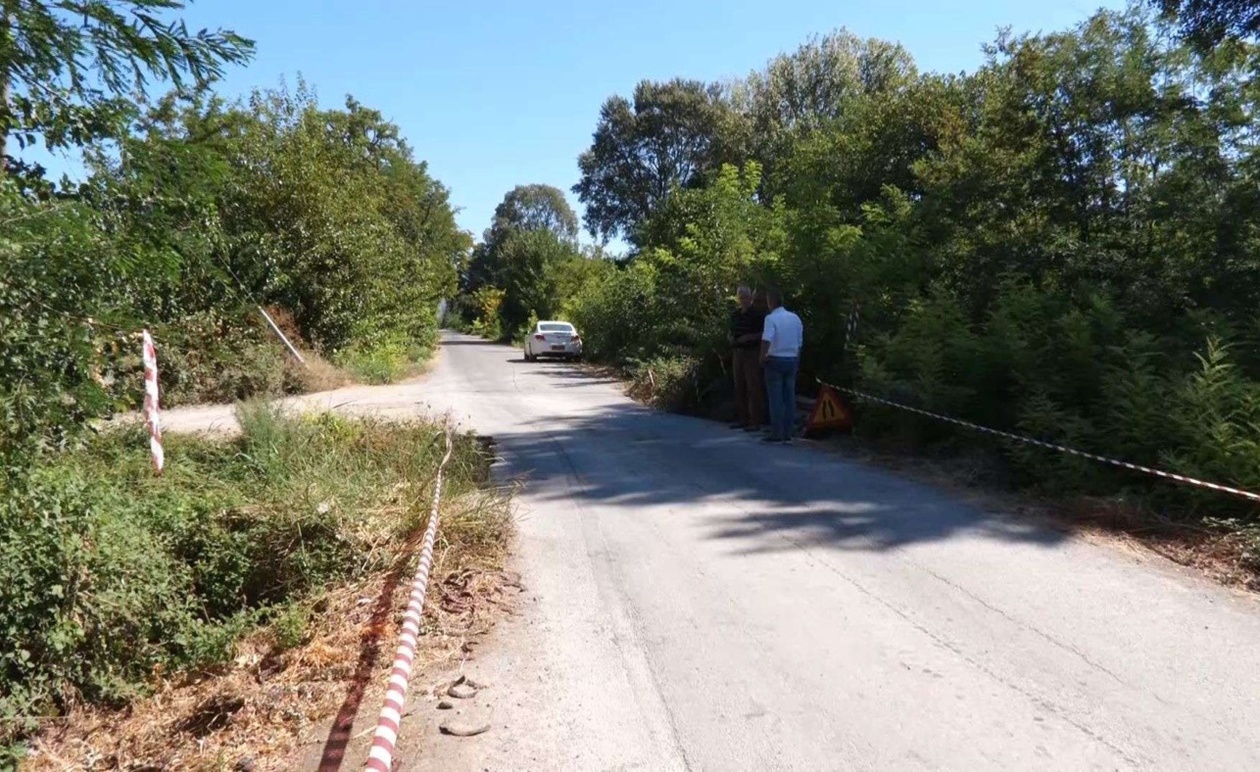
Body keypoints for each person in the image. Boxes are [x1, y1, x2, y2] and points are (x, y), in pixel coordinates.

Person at [759, 287, 804, 444]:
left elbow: (767, 339)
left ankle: (777, 432)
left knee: (775, 398)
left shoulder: (771, 319)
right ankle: (789, 432)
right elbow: (799, 342)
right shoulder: (795, 318)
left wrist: (762, 356)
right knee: (789, 397)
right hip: (791, 359)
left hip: (775, 359)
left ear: (771, 302)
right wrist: (796, 359)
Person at [728, 285, 766, 432]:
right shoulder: (735, 315)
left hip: (752, 352)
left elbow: (764, 333)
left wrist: (749, 337)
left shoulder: (758, 315)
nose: (743, 299)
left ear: (751, 297)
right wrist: (730, 337)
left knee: (753, 386)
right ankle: (743, 418)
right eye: (741, 297)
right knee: (739, 386)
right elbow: (731, 330)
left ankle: (755, 420)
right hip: (737, 352)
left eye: (745, 296)